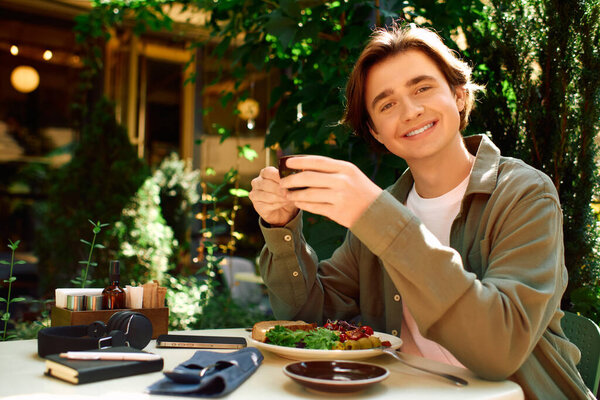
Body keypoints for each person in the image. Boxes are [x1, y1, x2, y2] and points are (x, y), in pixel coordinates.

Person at [248, 23, 592, 399]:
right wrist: (281, 227)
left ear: (459, 95)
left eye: (422, 88)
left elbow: (500, 350)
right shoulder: (383, 209)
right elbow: (311, 320)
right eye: (387, 104)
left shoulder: (524, 194)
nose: (410, 111)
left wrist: (377, 215)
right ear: (376, 131)